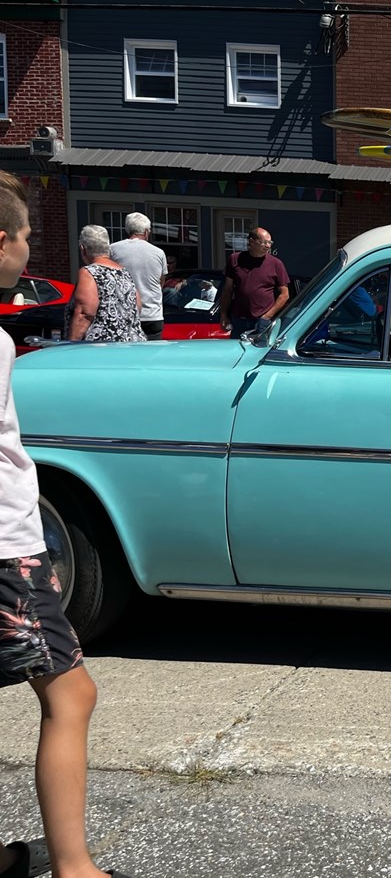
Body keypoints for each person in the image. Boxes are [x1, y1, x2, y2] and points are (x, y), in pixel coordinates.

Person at [0, 172, 129, 878]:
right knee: (71, 692)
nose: (29, 250)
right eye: (24, 237)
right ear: (1, 243)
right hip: (4, 548)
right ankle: (75, 869)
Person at [66, 226, 145, 343]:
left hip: (101, 348)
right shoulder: (124, 272)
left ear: (83, 249)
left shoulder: (89, 272)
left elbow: (84, 313)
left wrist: (71, 345)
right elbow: (137, 306)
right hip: (131, 344)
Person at [219, 227, 289, 338]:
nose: (268, 246)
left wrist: (267, 316)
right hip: (239, 320)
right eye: (264, 242)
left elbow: (285, 294)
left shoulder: (276, 264)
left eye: (270, 242)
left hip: (262, 321)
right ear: (251, 241)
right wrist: (223, 315)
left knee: (259, 353)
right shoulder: (235, 259)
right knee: (236, 353)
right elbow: (228, 289)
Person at [107, 213, 167, 341]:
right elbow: (161, 282)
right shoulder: (158, 252)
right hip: (152, 315)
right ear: (146, 232)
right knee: (152, 356)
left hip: (123, 314)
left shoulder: (112, 249)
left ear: (127, 230)